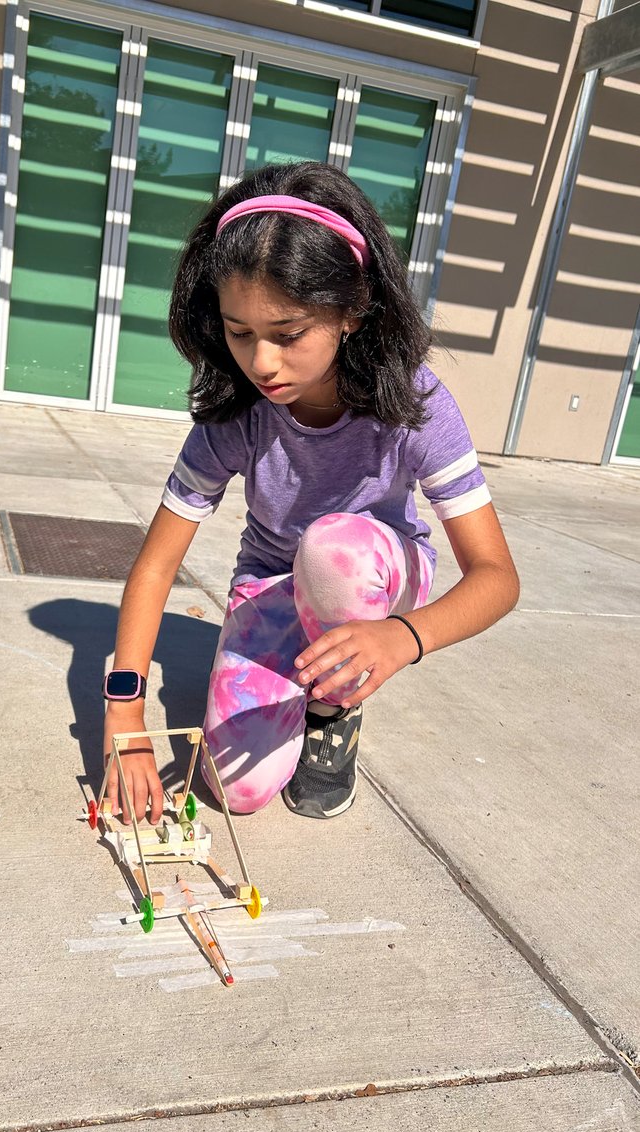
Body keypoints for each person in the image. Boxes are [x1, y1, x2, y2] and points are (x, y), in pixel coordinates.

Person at [102, 160, 519, 823]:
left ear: (352, 310)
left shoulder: (415, 404)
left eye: (288, 334)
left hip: (375, 578)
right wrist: (125, 720)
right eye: (240, 333)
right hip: (273, 585)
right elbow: (155, 565)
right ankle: (296, 682)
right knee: (230, 788)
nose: (262, 361)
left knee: (334, 548)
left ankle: (333, 710)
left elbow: (497, 577)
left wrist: (402, 638)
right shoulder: (238, 413)